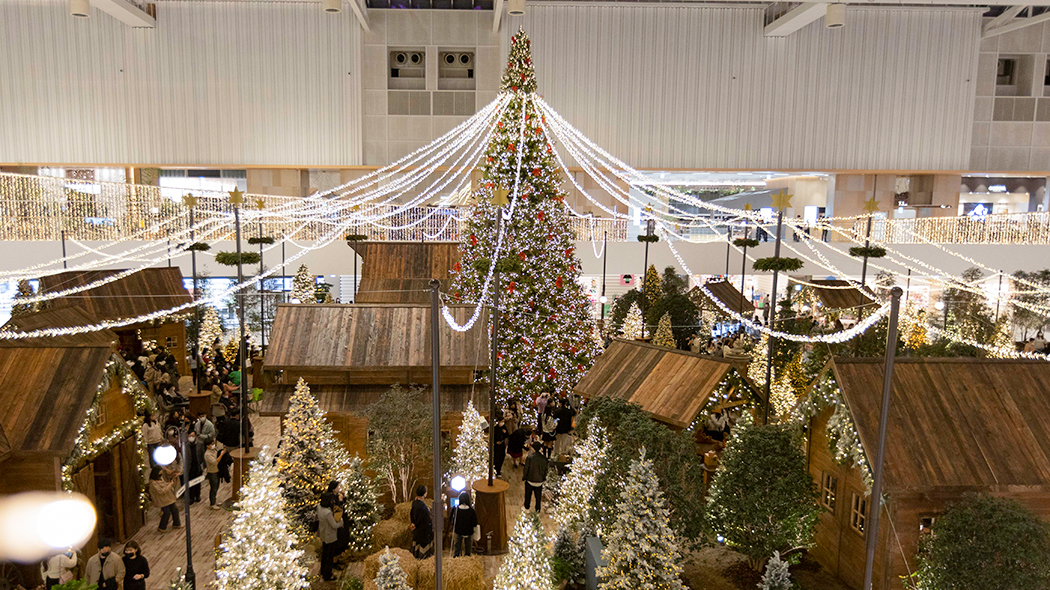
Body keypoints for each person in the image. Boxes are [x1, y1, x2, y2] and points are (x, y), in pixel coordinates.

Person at [317, 494, 343, 581]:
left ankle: (323, 571)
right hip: (330, 535)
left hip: (323, 533)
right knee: (329, 556)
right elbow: (334, 525)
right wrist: (341, 521)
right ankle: (328, 575)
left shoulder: (319, 507)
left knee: (325, 554)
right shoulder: (327, 513)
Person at [149, 466, 181, 531]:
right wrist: (169, 485)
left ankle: (176, 524)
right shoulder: (153, 483)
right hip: (162, 500)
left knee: (175, 510)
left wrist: (170, 483)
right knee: (166, 513)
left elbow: (165, 484)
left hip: (168, 497)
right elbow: (161, 491)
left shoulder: (160, 478)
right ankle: (162, 527)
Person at [522, 442, 548, 512]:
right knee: (538, 497)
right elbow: (546, 470)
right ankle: (537, 510)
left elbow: (526, 468)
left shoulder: (530, 457)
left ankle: (527, 508)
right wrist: (543, 478)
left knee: (528, 495)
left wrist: (524, 477)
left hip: (530, 480)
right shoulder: (544, 458)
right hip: (539, 481)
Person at [450, 491, 478, 557]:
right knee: (468, 546)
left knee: (457, 545)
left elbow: (451, 520)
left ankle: (457, 556)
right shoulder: (471, 511)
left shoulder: (455, 509)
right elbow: (475, 523)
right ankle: (467, 555)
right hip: (468, 531)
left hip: (458, 530)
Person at [409, 485, 434, 559]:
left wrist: (413, 523)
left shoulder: (415, 503)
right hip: (423, 530)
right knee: (423, 548)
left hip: (417, 529)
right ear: (424, 494)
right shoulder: (422, 506)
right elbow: (421, 518)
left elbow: (411, 514)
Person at [204, 440, 225, 509]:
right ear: (207, 446)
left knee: (217, 487)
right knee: (213, 488)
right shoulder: (207, 454)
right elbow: (215, 462)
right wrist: (221, 454)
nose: (213, 445)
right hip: (212, 473)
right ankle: (212, 503)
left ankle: (215, 501)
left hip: (217, 471)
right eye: (211, 444)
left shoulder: (214, 450)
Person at [493, 413, 508, 477]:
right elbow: (493, 437)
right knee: (496, 458)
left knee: (502, 457)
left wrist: (505, 432)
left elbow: (507, 435)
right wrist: (496, 442)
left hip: (502, 445)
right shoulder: (495, 428)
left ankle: (499, 469)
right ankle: (496, 470)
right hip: (497, 446)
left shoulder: (504, 427)